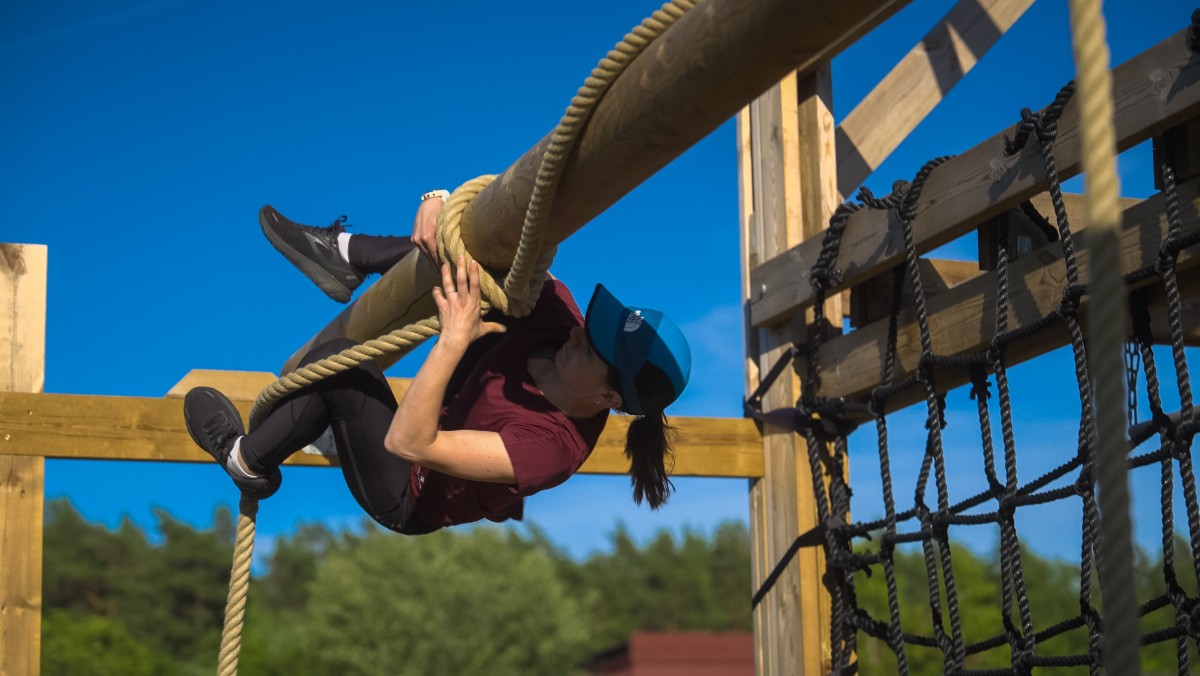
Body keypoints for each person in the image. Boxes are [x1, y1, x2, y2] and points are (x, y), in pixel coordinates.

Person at [183, 197, 692, 535]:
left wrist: (451, 340)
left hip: (411, 488)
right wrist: (443, 201)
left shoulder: (550, 449)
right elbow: (523, 230)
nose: (580, 333)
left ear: (610, 398)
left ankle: (246, 462)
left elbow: (411, 444)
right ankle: (344, 254)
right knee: (481, 263)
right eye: (594, 326)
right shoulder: (561, 325)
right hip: (446, 408)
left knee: (333, 364)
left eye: (593, 350)